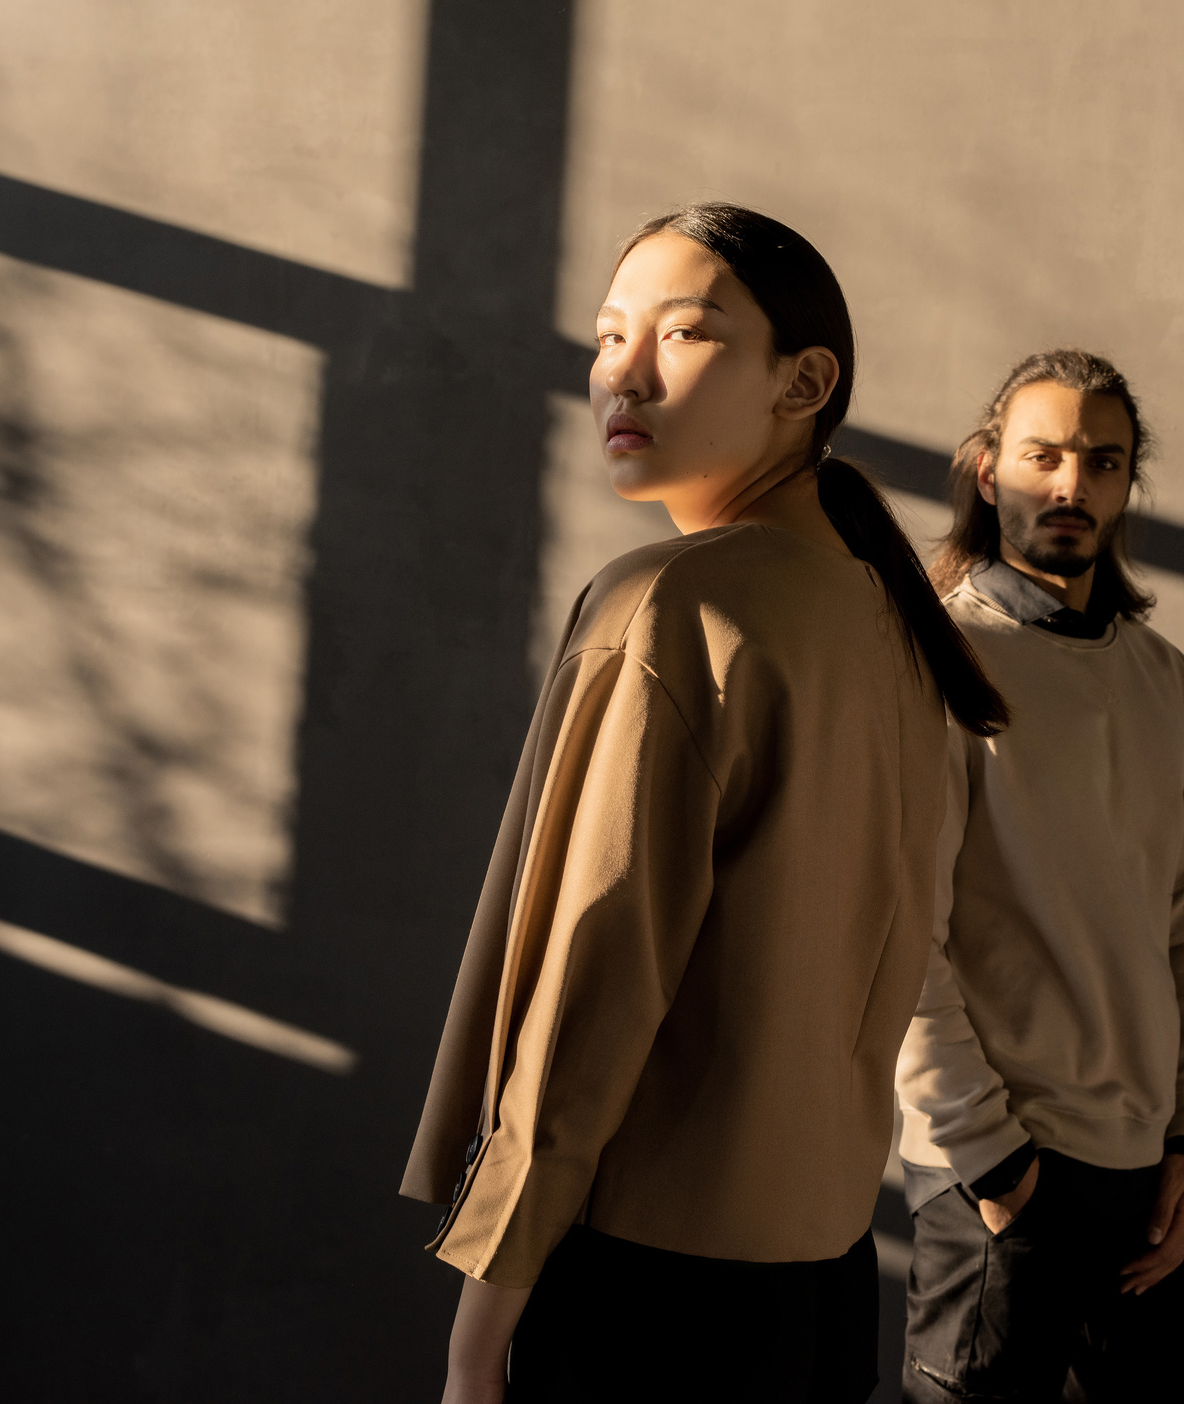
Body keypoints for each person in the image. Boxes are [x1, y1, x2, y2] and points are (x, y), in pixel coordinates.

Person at [400, 203, 1009, 1403]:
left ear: (805, 382)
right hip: (824, 1281)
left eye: (682, 335)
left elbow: (595, 983)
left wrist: (479, 1343)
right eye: (606, 334)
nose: (620, 374)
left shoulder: (674, 609)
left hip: (646, 1295)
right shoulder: (886, 618)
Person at [894, 349, 1184, 1402]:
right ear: (987, 470)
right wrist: (989, 1162)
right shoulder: (935, 662)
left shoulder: (1160, 680)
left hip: (1142, 1181)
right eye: (1042, 455)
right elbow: (902, 929)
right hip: (999, 1169)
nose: (1069, 485)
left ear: (1128, 484)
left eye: (1101, 460)